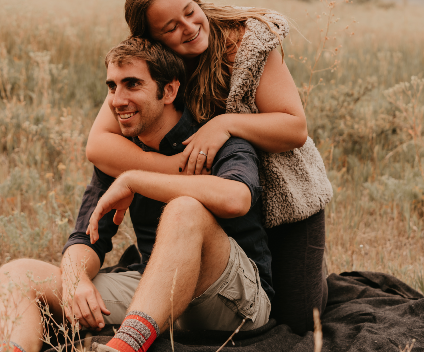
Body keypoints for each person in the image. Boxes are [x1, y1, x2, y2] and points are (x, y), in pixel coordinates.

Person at [85, 0, 330, 334]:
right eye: (170, 27)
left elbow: (294, 128)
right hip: (211, 194)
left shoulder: (247, 42)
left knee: (298, 319)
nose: (188, 27)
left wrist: (224, 124)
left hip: (283, 197)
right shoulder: (150, 63)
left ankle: (319, 271)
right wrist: (173, 168)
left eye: (189, 10)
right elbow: (98, 145)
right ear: (150, 39)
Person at [0, 38, 273, 352]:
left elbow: (235, 199)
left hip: (232, 299)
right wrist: (75, 279)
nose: (118, 100)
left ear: (168, 91)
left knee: (185, 209)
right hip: (155, 293)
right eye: (112, 87)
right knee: (16, 274)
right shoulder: (122, 157)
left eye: (132, 84)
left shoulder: (214, 140)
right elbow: (87, 236)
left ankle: (124, 347)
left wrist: (136, 181)